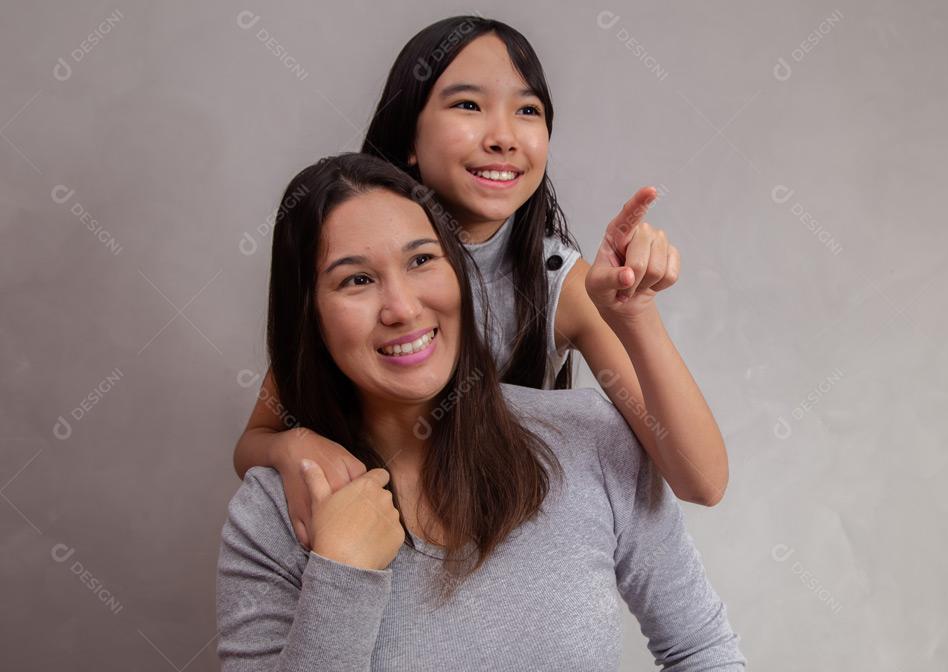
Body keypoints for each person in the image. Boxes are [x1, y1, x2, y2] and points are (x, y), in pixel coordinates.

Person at [216, 152, 747, 670]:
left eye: (421, 260)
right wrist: (343, 574)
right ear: (309, 317)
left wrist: (635, 315)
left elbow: (701, 650)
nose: (402, 308)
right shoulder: (275, 515)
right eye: (356, 279)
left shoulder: (588, 438)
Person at [232, 17, 733, 554]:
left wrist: (635, 314)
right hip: (370, 544)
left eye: (528, 110)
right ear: (408, 137)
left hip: (503, 547)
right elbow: (255, 441)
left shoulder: (556, 281)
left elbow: (701, 481)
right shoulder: (359, 272)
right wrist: (295, 446)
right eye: (468, 105)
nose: (503, 138)